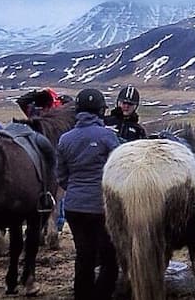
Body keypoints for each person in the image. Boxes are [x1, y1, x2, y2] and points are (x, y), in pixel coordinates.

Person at [56, 88, 120, 299]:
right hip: (101, 207)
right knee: (109, 258)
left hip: (73, 207)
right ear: (100, 111)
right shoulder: (108, 137)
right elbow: (118, 171)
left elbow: (61, 176)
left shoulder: (65, 139)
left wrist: (75, 189)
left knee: (84, 255)